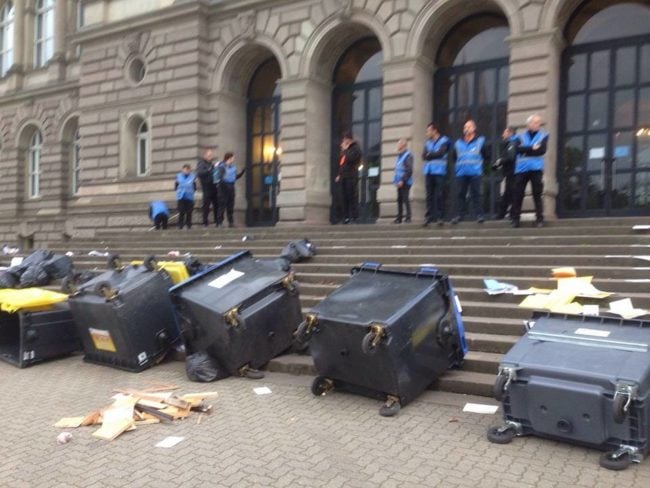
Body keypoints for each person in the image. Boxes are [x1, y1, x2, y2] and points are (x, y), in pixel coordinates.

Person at [511, 114, 549, 228]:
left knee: (537, 194)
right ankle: (515, 219)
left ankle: (539, 219)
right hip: (521, 169)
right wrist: (532, 148)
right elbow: (517, 149)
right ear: (529, 124)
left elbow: (542, 150)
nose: (538, 125)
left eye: (539, 123)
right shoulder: (519, 137)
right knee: (518, 194)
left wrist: (525, 149)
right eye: (536, 122)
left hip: (536, 169)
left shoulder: (543, 136)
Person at [450, 120, 489, 224]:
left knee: (476, 194)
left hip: (475, 172)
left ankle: (479, 215)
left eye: (468, 127)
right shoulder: (458, 143)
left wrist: (482, 168)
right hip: (461, 173)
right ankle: (459, 215)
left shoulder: (480, 141)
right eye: (465, 127)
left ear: (474, 128)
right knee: (460, 195)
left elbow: (487, 156)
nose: (466, 129)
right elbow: (453, 157)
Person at [422, 123, 450, 227]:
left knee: (440, 194)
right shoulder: (427, 143)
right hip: (429, 171)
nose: (427, 133)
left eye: (428, 131)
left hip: (439, 171)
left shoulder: (444, 140)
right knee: (429, 195)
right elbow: (423, 156)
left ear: (434, 131)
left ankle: (440, 217)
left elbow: (441, 153)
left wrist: (430, 154)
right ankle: (428, 216)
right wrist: (431, 155)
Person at [335, 133, 362, 224]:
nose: (342, 142)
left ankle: (355, 217)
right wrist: (339, 174)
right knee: (344, 197)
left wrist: (345, 150)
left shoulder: (355, 149)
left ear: (348, 140)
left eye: (344, 140)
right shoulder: (345, 152)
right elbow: (342, 164)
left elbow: (351, 159)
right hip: (344, 176)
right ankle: (346, 217)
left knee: (352, 197)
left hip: (351, 176)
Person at [493, 126, 518, 220]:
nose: (502, 135)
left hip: (512, 173)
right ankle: (504, 214)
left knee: (511, 193)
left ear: (510, 133)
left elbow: (511, 157)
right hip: (510, 173)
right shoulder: (509, 143)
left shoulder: (513, 143)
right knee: (508, 193)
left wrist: (501, 161)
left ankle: (507, 214)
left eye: (504, 132)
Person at [216, 152, 245, 228]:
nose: (233, 159)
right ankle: (219, 222)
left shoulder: (233, 167)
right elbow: (220, 178)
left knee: (230, 206)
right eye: (233, 157)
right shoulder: (221, 167)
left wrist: (242, 172)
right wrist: (226, 185)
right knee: (222, 206)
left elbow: (234, 177)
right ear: (229, 158)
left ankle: (231, 222)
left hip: (231, 188)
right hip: (223, 189)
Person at [392, 139, 413, 224]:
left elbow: (409, 170)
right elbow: (398, 170)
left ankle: (408, 217)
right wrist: (396, 181)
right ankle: (399, 217)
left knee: (405, 199)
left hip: (405, 181)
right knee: (399, 199)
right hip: (399, 182)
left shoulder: (407, 155)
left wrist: (402, 180)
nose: (397, 146)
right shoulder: (400, 156)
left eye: (399, 144)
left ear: (403, 145)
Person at [196, 148, 218, 227]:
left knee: (216, 204)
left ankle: (217, 221)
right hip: (206, 187)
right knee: (206, 205)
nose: (210, 156)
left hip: (214, 187)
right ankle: (205, 221)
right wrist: (209, 170)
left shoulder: (212, 164)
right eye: (209, 155)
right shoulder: (201, 163)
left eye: (211, 155)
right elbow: (200, 173)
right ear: (204, 155)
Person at [175, 164, 196, 229]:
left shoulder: (192, 177)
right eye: (185, 169)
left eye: (188, 169)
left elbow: (194, 187)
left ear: (190, 170)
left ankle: (188, 225)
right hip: (181, 197)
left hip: (189, 197)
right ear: (182, 170)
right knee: (181, 212)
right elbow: (176, 186)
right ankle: (180, 225)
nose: (186, 171)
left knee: (189, 212)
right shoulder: (178, 176)